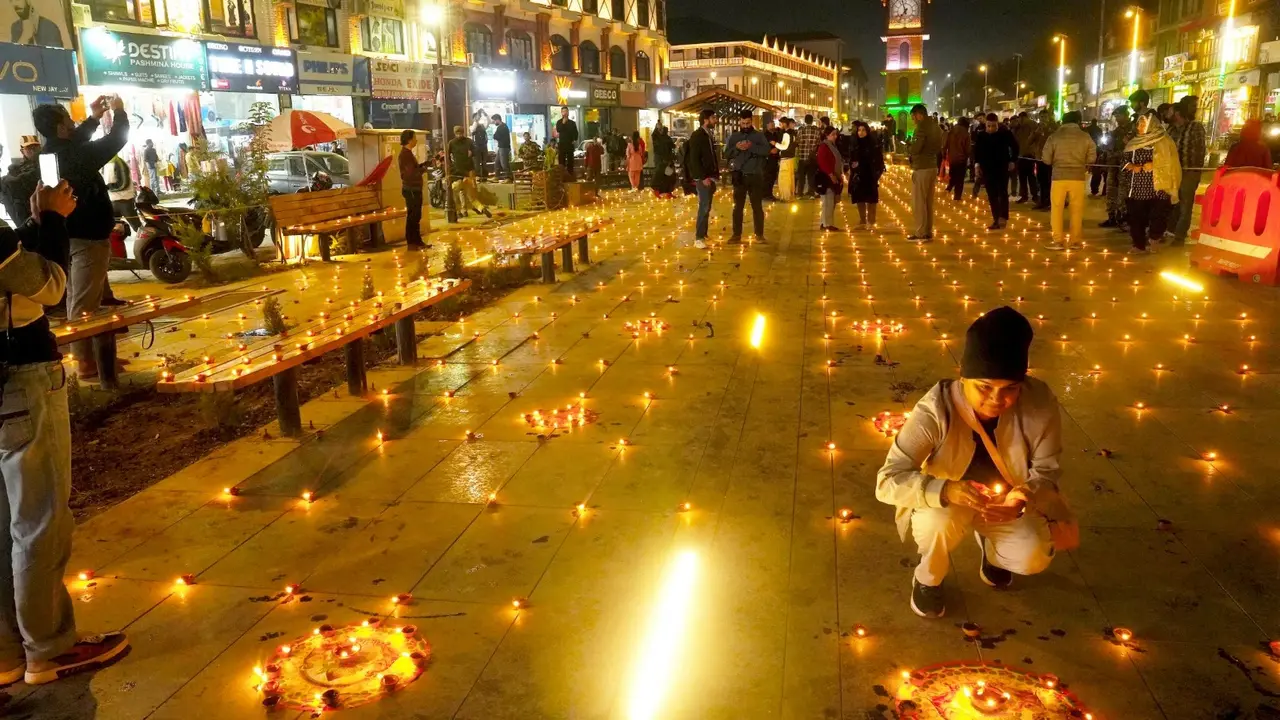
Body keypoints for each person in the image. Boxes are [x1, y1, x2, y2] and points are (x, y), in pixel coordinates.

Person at [877, 306, 1072, 618]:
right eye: (984, 386)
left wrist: (1022, 498)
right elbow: (888, 480)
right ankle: (928, 579)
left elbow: (1047, 470)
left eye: (1010, 389)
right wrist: (945, 490)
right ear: (962, 376)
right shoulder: (936, 409)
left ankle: (993, 555)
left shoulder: (1040, 402)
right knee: (937, 525)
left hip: (1006, 501)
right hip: (946, 500)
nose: (997, 399)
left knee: (1032, 557)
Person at [33, 96, 129, 379]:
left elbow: (76, 142)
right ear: (62, 128)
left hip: (70, 233)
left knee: (82, 296)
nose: (74, 124)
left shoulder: (51, 152)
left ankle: (96, 359)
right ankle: (86, 363)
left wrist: (94, 117)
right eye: (69, 121)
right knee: (84, 302)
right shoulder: (74, 155)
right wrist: (119, 112)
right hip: (87, 235)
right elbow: (115, 141)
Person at [1122, 110, 1181, 254]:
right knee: (1136, 217)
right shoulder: (1133, 142)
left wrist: (1154, 165)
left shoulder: (1164, 141)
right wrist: (1131, 166)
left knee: (1159, 216)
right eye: (1138, 124)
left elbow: (1172, 162)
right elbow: (1123, 162)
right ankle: (1138, 245)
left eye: (1143, 124)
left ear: (1151, 125)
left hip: (1159, 186)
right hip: (1137, 187)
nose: (1139, 127)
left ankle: (1154, 239)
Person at [1040, 111, 1096, 250]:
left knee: (1057, 209)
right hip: (1078, 177)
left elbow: (1046, 159)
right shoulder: (1085, 136)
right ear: (1078, 121)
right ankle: (1075, 241)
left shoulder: (1054, 137)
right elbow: (1092, 157)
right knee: (1076, 210)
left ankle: (1058, 241)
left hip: (1059, 177)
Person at [723, 109, 770, 243]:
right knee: (738, 207)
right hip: (739, 176)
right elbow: (726, 154)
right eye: (743, 123)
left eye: (747, 123)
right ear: (739, 122)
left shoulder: (759, 136)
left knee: (757, 206)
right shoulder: (734, 136)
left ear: (751, 121)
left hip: (755, 175)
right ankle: (736, 235)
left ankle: (759, 235)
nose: (745, 126)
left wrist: (751, 146)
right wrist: (736, 147)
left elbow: (766, 151)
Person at [1168, 98, 1205, 246]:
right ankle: (1170, 230)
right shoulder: (1170, 130)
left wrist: (1195, 170)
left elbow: (1200, 150)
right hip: (1173, 172)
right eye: (1193, 106)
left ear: (1177, 113)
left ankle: (1179, 236)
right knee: (1172, 203)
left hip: (1189, 172)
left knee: (1185, 205)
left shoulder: (1195, 127)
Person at [973, 113, 1018, 231]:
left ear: (997, 124)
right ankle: (996, 219)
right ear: (985, 125)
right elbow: (977, 152)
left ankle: (1003, 217)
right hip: (987, 169)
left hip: (1002, 168)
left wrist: (1012, 160)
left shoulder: (1005, 134)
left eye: (993, 126)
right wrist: (977, 166)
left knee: (1002, 192)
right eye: (989, 126)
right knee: (992, 195)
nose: (991, 128)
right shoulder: (981, 135)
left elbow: (1015, 147)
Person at [907, 104, 943, 242]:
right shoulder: (936, 127)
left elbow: (916, 149)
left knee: (919, 202)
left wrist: (909, 146)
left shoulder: (921, 128)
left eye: (913, 117)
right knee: (928, 201)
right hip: (933, 166)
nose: (913, 120)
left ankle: (921, 232)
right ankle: (928, 231)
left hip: (922, 167)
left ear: (919, 114)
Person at [686, 108, 719, 249]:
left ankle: (704, 234)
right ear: (706, 120)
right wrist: (702, 177)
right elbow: (694, 159)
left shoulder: (707, 134)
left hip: (709, 177)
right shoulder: (698, 135)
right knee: (704, 207)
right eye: (713, 118)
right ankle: (698, 237)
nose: (715, 120)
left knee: (707, 206)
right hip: (703, 178)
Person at [1101, 106, 1136, 229]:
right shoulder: (1115, 131)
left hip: (1125, 166)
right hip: (1113, 165)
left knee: (1123, 193)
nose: (1117, 119)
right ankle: (1112, 217)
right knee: (1111, 191)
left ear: (1126, 115)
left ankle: (1122, 218)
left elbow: (1130, 149)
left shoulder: (1133, 130)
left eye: (1119, 116)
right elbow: (1108, 146)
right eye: (1116, 116)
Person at [447, 125, 491, 219]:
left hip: (458, 174)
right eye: (458, 133)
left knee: (454, 193)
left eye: (460, 133)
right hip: (469, 173)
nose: (459, 135)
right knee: (472, 197)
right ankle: (481, 208)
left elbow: (447, 156)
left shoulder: (452, 142)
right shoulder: (469, 141)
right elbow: (476, 152)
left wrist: (450, 167)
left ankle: (459, 211)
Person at [848, 120, 884, 231]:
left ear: (867, 131)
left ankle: (871, 221)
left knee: (871, 199)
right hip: (858, 176)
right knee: (860, 199)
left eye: (863, 130)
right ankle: (862, 220)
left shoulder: (873, 144)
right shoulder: (855, 144)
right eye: (859, 130)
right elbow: (851, 158)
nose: (861, 132)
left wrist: (877, 173)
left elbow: (879, 160)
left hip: (870, 175)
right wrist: (852, 165)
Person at [0, 135, 40, 227]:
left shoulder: (45, 161)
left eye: (35, 147)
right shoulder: (16, 168)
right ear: (22, 151)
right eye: (29, 148)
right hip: (25, 206)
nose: (33, 150)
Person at [397, 129, 427, 248]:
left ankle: (416, 241)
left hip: (414, 188)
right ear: (409, 140)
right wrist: (423, 169)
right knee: (413, 216)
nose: (416, 140)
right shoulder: (405, 154)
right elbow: (411, 173)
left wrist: (427, 164)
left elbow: (414, 169)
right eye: (414, 138)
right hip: (411, 189)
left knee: (415, 215)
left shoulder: (408, 153)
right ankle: (413, 242)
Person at [815, 126, 844, 232]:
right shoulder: (824, 146)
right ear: (827, 135)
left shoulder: (832, 145)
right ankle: (827, 224)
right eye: (833, 134)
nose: (835, 136)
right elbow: (823, 162)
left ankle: (824, 222)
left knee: (830, 202)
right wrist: (831, 174)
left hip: (832, 176)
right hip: (826, 177)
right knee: (828, 201)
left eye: (836, 134)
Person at [1028, 110, 1056, 210]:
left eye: (1045, 117)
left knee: (1049, 182)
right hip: (1039, 158)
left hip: (1050, 159)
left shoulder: (1053, 127)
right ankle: (1042, 201)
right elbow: (1029, 141)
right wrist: (1035, 133)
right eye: (1041, 117)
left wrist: (1048, 131)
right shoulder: (1037, 128)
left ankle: (1049, 202)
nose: (1043, 119)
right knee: (1040, 181)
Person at [1012, 113, 1038, 204]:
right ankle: (1030, 196)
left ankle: (1030, 196)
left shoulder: (1029, 125)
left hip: (1026, 154)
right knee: (1027, 177)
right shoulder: (1020, 127)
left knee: (1028, 177)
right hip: (1025, 154)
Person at [793, 114, 821, 197]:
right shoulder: (817, 130)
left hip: (802, 157)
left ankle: (800, 194)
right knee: (811, 176)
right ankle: (811, 193)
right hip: (812, 157)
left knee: (801, 177)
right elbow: (818, 143)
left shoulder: (801, 130)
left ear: (805, 121)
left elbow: (797, 141)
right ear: (812, 121)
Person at [944, 117, 971, 202]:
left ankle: (948, 189)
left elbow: (945, 144)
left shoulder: (951, 131)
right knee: (960, 179)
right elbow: (968, 148)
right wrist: (968, 156)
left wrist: (944, 154)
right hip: (961, 159)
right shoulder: (966, 133)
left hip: (952, 158)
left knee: (953, 175)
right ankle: (957, 196)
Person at [775, 117, 796, 201]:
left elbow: (784, 146)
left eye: (780, 124)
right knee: (790, 177)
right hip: (791, 158)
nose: (780, 126)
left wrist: (775, 144)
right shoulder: (793, 133)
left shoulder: (786, 134)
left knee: (784, 178)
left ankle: (785, 197)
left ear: (784, 124)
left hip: (785, 159)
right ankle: (790, 195)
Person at [553, 106, 578, 176]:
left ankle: (570, 175)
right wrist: (563, 123)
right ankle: (562, 175)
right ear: (561, 113)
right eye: (563, 111)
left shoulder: (572, 123)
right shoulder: (559, 122)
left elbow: (576, 132)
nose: (565, 113)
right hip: (562, 144)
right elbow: (559, 130)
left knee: (570, 161)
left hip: (570, 144)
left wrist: (575, 139)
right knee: (562, 161)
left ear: (568, 113)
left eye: (566, 111)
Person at [763, 118, 782, 201]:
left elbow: (779, 144)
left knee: (773, 177)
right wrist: (770, 151)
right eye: (771, 124)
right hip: (767, 159)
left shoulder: (776, 134)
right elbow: (761, 146)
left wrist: (777, 149)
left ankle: (769, 193)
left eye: (773, 124)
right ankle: (765, 194)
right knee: (767, 177)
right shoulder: (764, 135)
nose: (772, 125)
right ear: (767, 125)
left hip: (775, 159)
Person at [490, 114, 511, 181]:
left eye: (494, 121)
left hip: (503, 147)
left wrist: (496, 136)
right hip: (501, 147)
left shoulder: (501, 127)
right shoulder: (504, 126)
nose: (493, 123)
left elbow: (495, 136)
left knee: (504, 163)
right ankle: (497, 177)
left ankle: (508, 178)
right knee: (497, 162)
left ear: (497, 120)